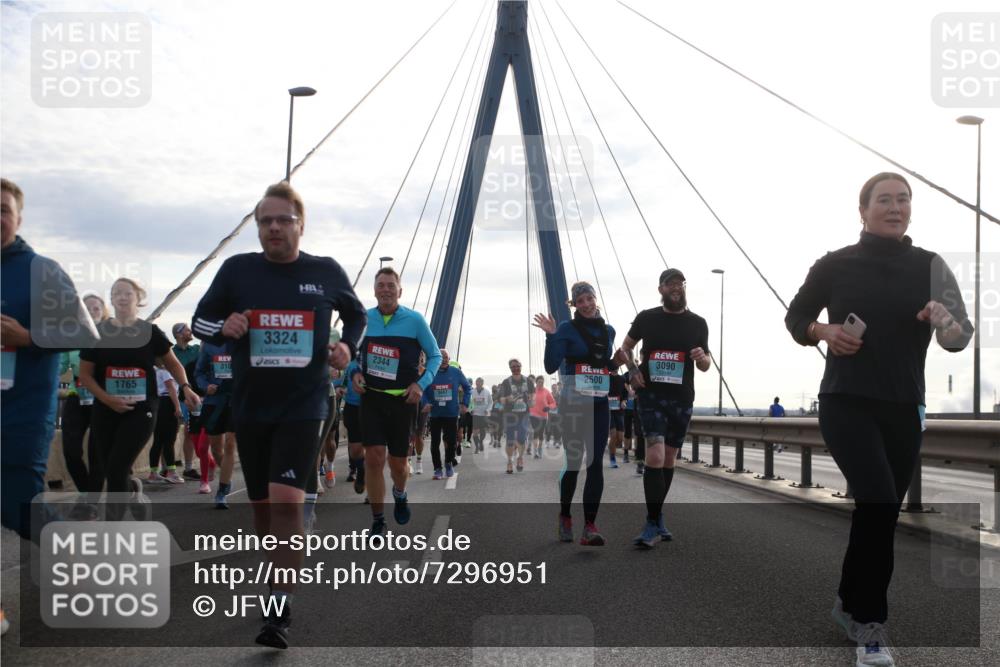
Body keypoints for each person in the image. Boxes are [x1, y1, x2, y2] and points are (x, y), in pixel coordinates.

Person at [785, 172, 972, 667]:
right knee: (880, 499)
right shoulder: (835, 263)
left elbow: (960, 337)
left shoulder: (931, 266)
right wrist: (823, 330)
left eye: (903, 200)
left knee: (880, 512)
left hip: (903, 404)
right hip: (846, 399)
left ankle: (849, 603)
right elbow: (796, 317)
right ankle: (871, 626)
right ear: (863, 210)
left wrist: (947, 324)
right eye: (884, 200)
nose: (895, 207)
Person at [191, 181, 366, 649]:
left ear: (300, 225)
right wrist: (224, 326)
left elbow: (357, 315)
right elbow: (199, 321)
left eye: (282, 219)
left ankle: (277, 610)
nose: (273, 227)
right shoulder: (237, 271)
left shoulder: (325, 272)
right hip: (251, 406)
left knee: (287, 500)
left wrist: (348, 345)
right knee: (264, 510)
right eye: (264, 220)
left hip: (305, 405)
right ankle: (281, 564)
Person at [2, 177, 98, 539]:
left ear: (18, 219)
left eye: (3, 210)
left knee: (21, 508)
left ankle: (76, 567)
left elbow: (85, 332)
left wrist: (27, 337)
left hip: (20, 416)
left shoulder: (42, 271)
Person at [79, 278, 201, 519]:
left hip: (141, 409)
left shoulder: (150, 333)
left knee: (115, 468)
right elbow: (85, 375)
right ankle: (132, 489)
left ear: (139, 299)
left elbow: (173, 364)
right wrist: (108, 399)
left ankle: (114, 532)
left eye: (127, 293)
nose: (122, 297)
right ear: (111, 300)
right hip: (105, 408)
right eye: (117, 293)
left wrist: (186, 387)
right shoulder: (98, 333)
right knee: (112, 467)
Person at [613, 268, 711, 548]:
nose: (676, 288)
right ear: (661, 290)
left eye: (680, 283)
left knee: (669, 459)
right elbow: (625, 348)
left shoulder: (698, 323)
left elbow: (705, 365)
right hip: (651, 396)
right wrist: (632, 371)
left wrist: (702, 357)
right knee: (654, 456)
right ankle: (651, 522)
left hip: (681, 398)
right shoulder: (646, 318)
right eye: (670, 284)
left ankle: (656, 518)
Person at [353, 267, 440, 538]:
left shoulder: (415, 320)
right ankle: (378, 520)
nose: (386, 289)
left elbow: (435, 356)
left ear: (400, 291)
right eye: (381, 285)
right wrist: (353, 373)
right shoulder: (364, 319)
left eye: (391, 285)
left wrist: (420, 385)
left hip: (403, 401)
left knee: (398, 464)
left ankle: (400, 493)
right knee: (374, 459)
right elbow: (351, 353)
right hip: (372, 399)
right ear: (374, 290)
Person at [534, 281, 617, 546]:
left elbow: (604, 366)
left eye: (588, 298)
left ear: (595, 298)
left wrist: (618, 364)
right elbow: (549, 367)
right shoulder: (567, 329)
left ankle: (590, 526)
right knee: (573, 463)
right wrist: (551, 335)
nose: (585, 304)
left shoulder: (609, 331)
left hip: (599, 404)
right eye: (579, 301)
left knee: (595, 464)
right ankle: (565, 515)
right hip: (572, 403)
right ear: (574, 304)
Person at [58, 293, 110, 493]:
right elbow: (59, 367)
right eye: (86, 309)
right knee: (70, 451)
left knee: (97, 453)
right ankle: (87, 492)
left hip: (102, 399)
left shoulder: (110, 336)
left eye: (96, 308)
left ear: (103, 312)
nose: (91, 312)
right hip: (76, 396)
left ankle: (91, 503)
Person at [194, 340, 237, 504]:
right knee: (216, 449)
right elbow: (199, 372)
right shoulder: (209, 344)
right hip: (215, 401)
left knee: (230, 444)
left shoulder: (245, 341)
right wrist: (205, 386)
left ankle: (222, 490)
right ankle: (227, 476)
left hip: (236, 399)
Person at [422, 348, 470, 479]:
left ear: (449, 360)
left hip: (451, 413)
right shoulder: (430, 372)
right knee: (435, 443)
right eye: (441, 357)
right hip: (435, 414)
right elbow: (423, 389)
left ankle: (448, 463)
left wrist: (465, 403)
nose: (443, 360)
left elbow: (467, 388)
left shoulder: (456, 372)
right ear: (436, 359)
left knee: (452, 441)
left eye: (446, 358)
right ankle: (437, 469)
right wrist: (425, 402)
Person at [171, 323, 202, 479]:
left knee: (190, 432)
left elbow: (207, 344)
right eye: (187, 330)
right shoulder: (170, 353)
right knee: (171, 432)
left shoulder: (196, 349)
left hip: (195, 397)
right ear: (178, 334)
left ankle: (188, 468)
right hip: (176, 397)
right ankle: (167, 468)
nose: (191, 332)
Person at [148, 363, 184, 484]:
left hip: (156, 403)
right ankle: (171, 472)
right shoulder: (166, 371)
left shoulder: (153, 370)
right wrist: (177, 407)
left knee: (158, 440)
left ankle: (153, 473)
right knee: (169, 440)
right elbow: (171, 387)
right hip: (167, 403)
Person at [499, 359, 533, 473]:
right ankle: (509, 461)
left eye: (517, 366)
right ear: (510, 368)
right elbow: (500, 399)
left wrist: (531, 400)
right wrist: (507, 399)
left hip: (524, 414)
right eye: (513, 367)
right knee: (510, 440)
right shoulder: (506, 382)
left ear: (521, 366)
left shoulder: (528, 381)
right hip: (510, 415)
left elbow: (533, 400)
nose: (516, 368)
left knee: (522, 439)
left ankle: (520, 458)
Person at [528, 376, 556, 459]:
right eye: (539, 382)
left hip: (543, 416)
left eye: (542, 382)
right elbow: (527, 400)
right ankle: (535, 451)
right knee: (536, 431)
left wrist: (549, 407)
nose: (541, 383)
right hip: (533, 414)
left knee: (541, 433)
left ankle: (540, 448)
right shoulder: (532, 391)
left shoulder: (546, 392)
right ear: (536, 382)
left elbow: (553, 403)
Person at [607, 372, 628, 468]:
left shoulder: (622, 379)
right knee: (613, 434)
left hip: (619, 410)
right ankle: (612, 458)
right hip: (609, 410)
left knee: (620, 438)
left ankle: (610, 447)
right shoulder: (606, 377)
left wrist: (624, 401)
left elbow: (625, 393)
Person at [469, 377, 492, 453]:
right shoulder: (472, 392)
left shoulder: (487, 392)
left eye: (479, 382)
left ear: (482, 383)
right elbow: (469, 402)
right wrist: (470, 409)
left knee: (483, 431)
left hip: (484, 414)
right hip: (475, 414)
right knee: (475, 432)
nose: (478, 384)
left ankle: (481, 441)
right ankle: (477, 447)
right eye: (477, 382)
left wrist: (487, 410)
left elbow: (490, 402)